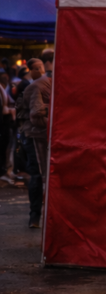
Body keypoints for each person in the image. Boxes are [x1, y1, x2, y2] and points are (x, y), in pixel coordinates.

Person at [16, 58, 48, 228]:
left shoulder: (35, 85)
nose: (40, 71)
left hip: (37, 134)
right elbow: (36, 113)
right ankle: (35, 217)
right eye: (37, 68)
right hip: (36, 134)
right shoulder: (35, 86)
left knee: (38, 174)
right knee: (38, 174)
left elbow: (35, 113)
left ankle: (36, 216)